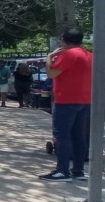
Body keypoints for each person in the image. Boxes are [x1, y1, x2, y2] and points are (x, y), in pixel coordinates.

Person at [39, 28, 92, 182]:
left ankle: (62, 171)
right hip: (85, 100)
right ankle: (78, 170)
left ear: (64, 40)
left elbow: (51, 73)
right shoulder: (90, 55)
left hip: (66, 99)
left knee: (62, 135)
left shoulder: (68, 54)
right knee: (78, 136)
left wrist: (49, 57)